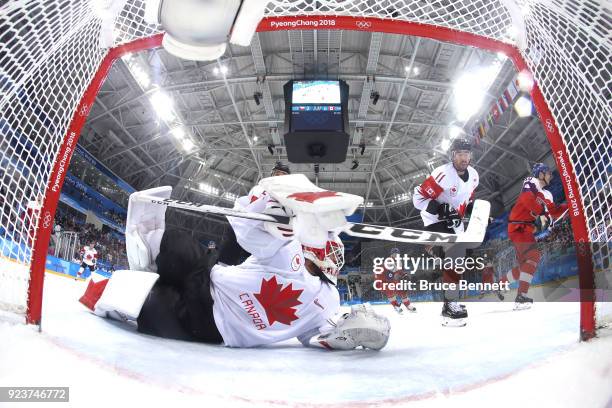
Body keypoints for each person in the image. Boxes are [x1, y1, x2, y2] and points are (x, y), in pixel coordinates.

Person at [79, 181, 390, 350]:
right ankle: (143, 269)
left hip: (206, 290)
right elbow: (319, 338)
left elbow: (244, 222)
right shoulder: (328, 303)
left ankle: (146, 256)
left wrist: (277, 202)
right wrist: (351, 335)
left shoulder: (291, 254)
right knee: (151, 303)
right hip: (208, 329)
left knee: (169, 258)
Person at [412, 138, 479, 326]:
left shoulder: (474, 176)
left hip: (455, 224)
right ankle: (450, 306)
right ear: (453, 155)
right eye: (459, 154)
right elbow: (418, 199)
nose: (463, 157)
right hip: (435, 222)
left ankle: (450, 303)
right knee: (455, 256)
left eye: (466, 154)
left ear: (470, 155)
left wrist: (474, 212)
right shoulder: (443, 174)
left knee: (460, 261)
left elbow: (468, 198)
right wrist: (440, 209)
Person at [502, 163, 567, 309]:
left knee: (525, 266)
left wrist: (570, 205)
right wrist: (542, 213)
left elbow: (554, 211)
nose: (551, 175)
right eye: (548, 173)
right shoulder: (531, 181)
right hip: (518, 226)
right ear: (541, 173)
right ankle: (521, 298)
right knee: (534, 257)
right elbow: (527, 199)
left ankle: (500, 284)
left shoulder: (548, 194)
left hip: (524, 229)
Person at [376, 248, 416, 314]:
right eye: (394, 254)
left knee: (402, 290)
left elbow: (399, 270)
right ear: (391, 254)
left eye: (397, 254)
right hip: (383, 281)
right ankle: (396, 306)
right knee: (390, 290)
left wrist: (404, 275)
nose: (396, 255)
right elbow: (393, 272)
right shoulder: (388, 261)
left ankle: (408, 305)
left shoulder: (398, 261)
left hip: (391, 279)